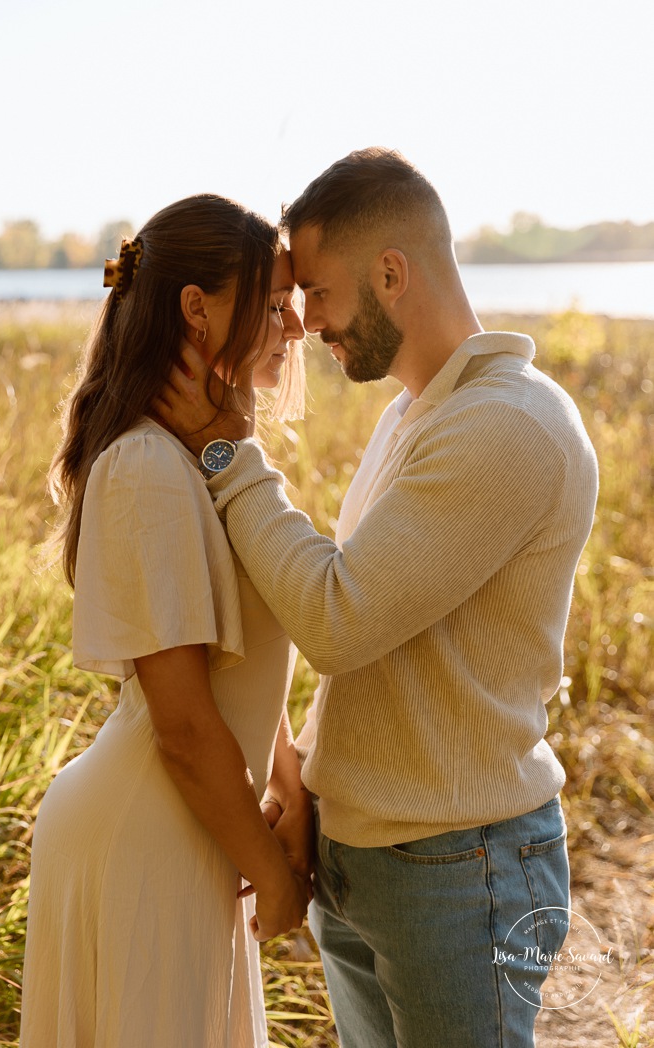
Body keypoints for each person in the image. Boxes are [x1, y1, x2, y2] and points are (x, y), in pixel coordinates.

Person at [156, 149, 599, 1047]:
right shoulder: (416, 412)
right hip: (364, 858)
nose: (303, 321)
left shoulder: (506, 426)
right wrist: (314, 780)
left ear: (391, 272)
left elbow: (339, 620)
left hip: (456, 869)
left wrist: (228, 454)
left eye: (315, 292)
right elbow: (390, 646)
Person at [19, 194, 312, 1048]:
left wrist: (284, 777)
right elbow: (181, 721)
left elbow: (233, 654)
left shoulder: (195, 454)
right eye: (270, 303)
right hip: (146, 839)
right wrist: (277, 882)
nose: (293, 327)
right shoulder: (146, 466)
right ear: (196, 308)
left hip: (191, 831)